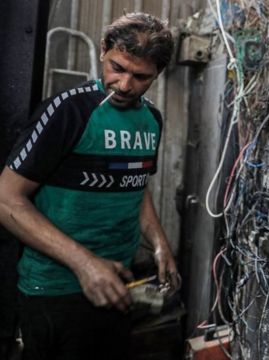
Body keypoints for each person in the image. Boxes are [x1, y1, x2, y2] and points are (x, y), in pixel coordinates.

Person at [0, 13, 177, 360]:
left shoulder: (151, 119)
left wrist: (159, 244)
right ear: (102, 50)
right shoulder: (69, 110)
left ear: (158, 73)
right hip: (55, 290)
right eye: (117, 68)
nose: (124, 85)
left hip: (115, 286)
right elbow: (6, 200)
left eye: (141, 77)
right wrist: (85, 263)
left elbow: (135, 183)